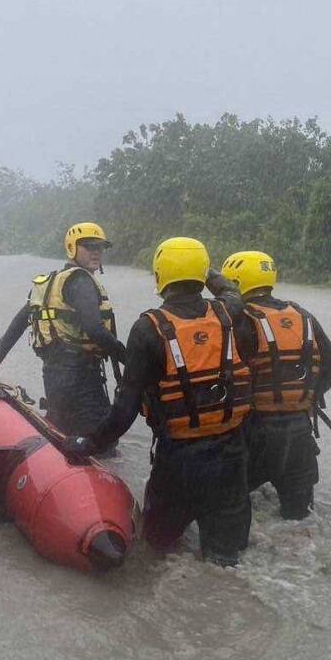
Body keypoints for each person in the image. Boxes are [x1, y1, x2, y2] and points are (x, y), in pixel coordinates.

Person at [70, 237, 254, 566]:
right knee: (225, 561)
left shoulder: (147, 329)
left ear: (159, 276)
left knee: (156, 551)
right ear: (202, 275)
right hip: (231, 459)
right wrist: (206, 271)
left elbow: (125, 409)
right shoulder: (229, 313)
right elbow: (231, 291)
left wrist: (90, 443)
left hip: (178, 463)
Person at [208, 250, 331, 520]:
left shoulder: (240, 321)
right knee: (300, 522)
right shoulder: (302, 316)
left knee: (226, 511)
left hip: (254, 435)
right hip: (300, 436)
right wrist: (304, 398)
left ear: (235, 282)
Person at [0, 222, 125, 438]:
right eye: (89, 246)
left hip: (53, 376)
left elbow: (21, 320)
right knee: (100, 442)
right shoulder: (81, 281)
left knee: (62, 432)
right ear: (72, 247)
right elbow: (94, 329)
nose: (96, 252)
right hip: (82, 378)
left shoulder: (49, 283)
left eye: (100, 247)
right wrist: (130, 359)